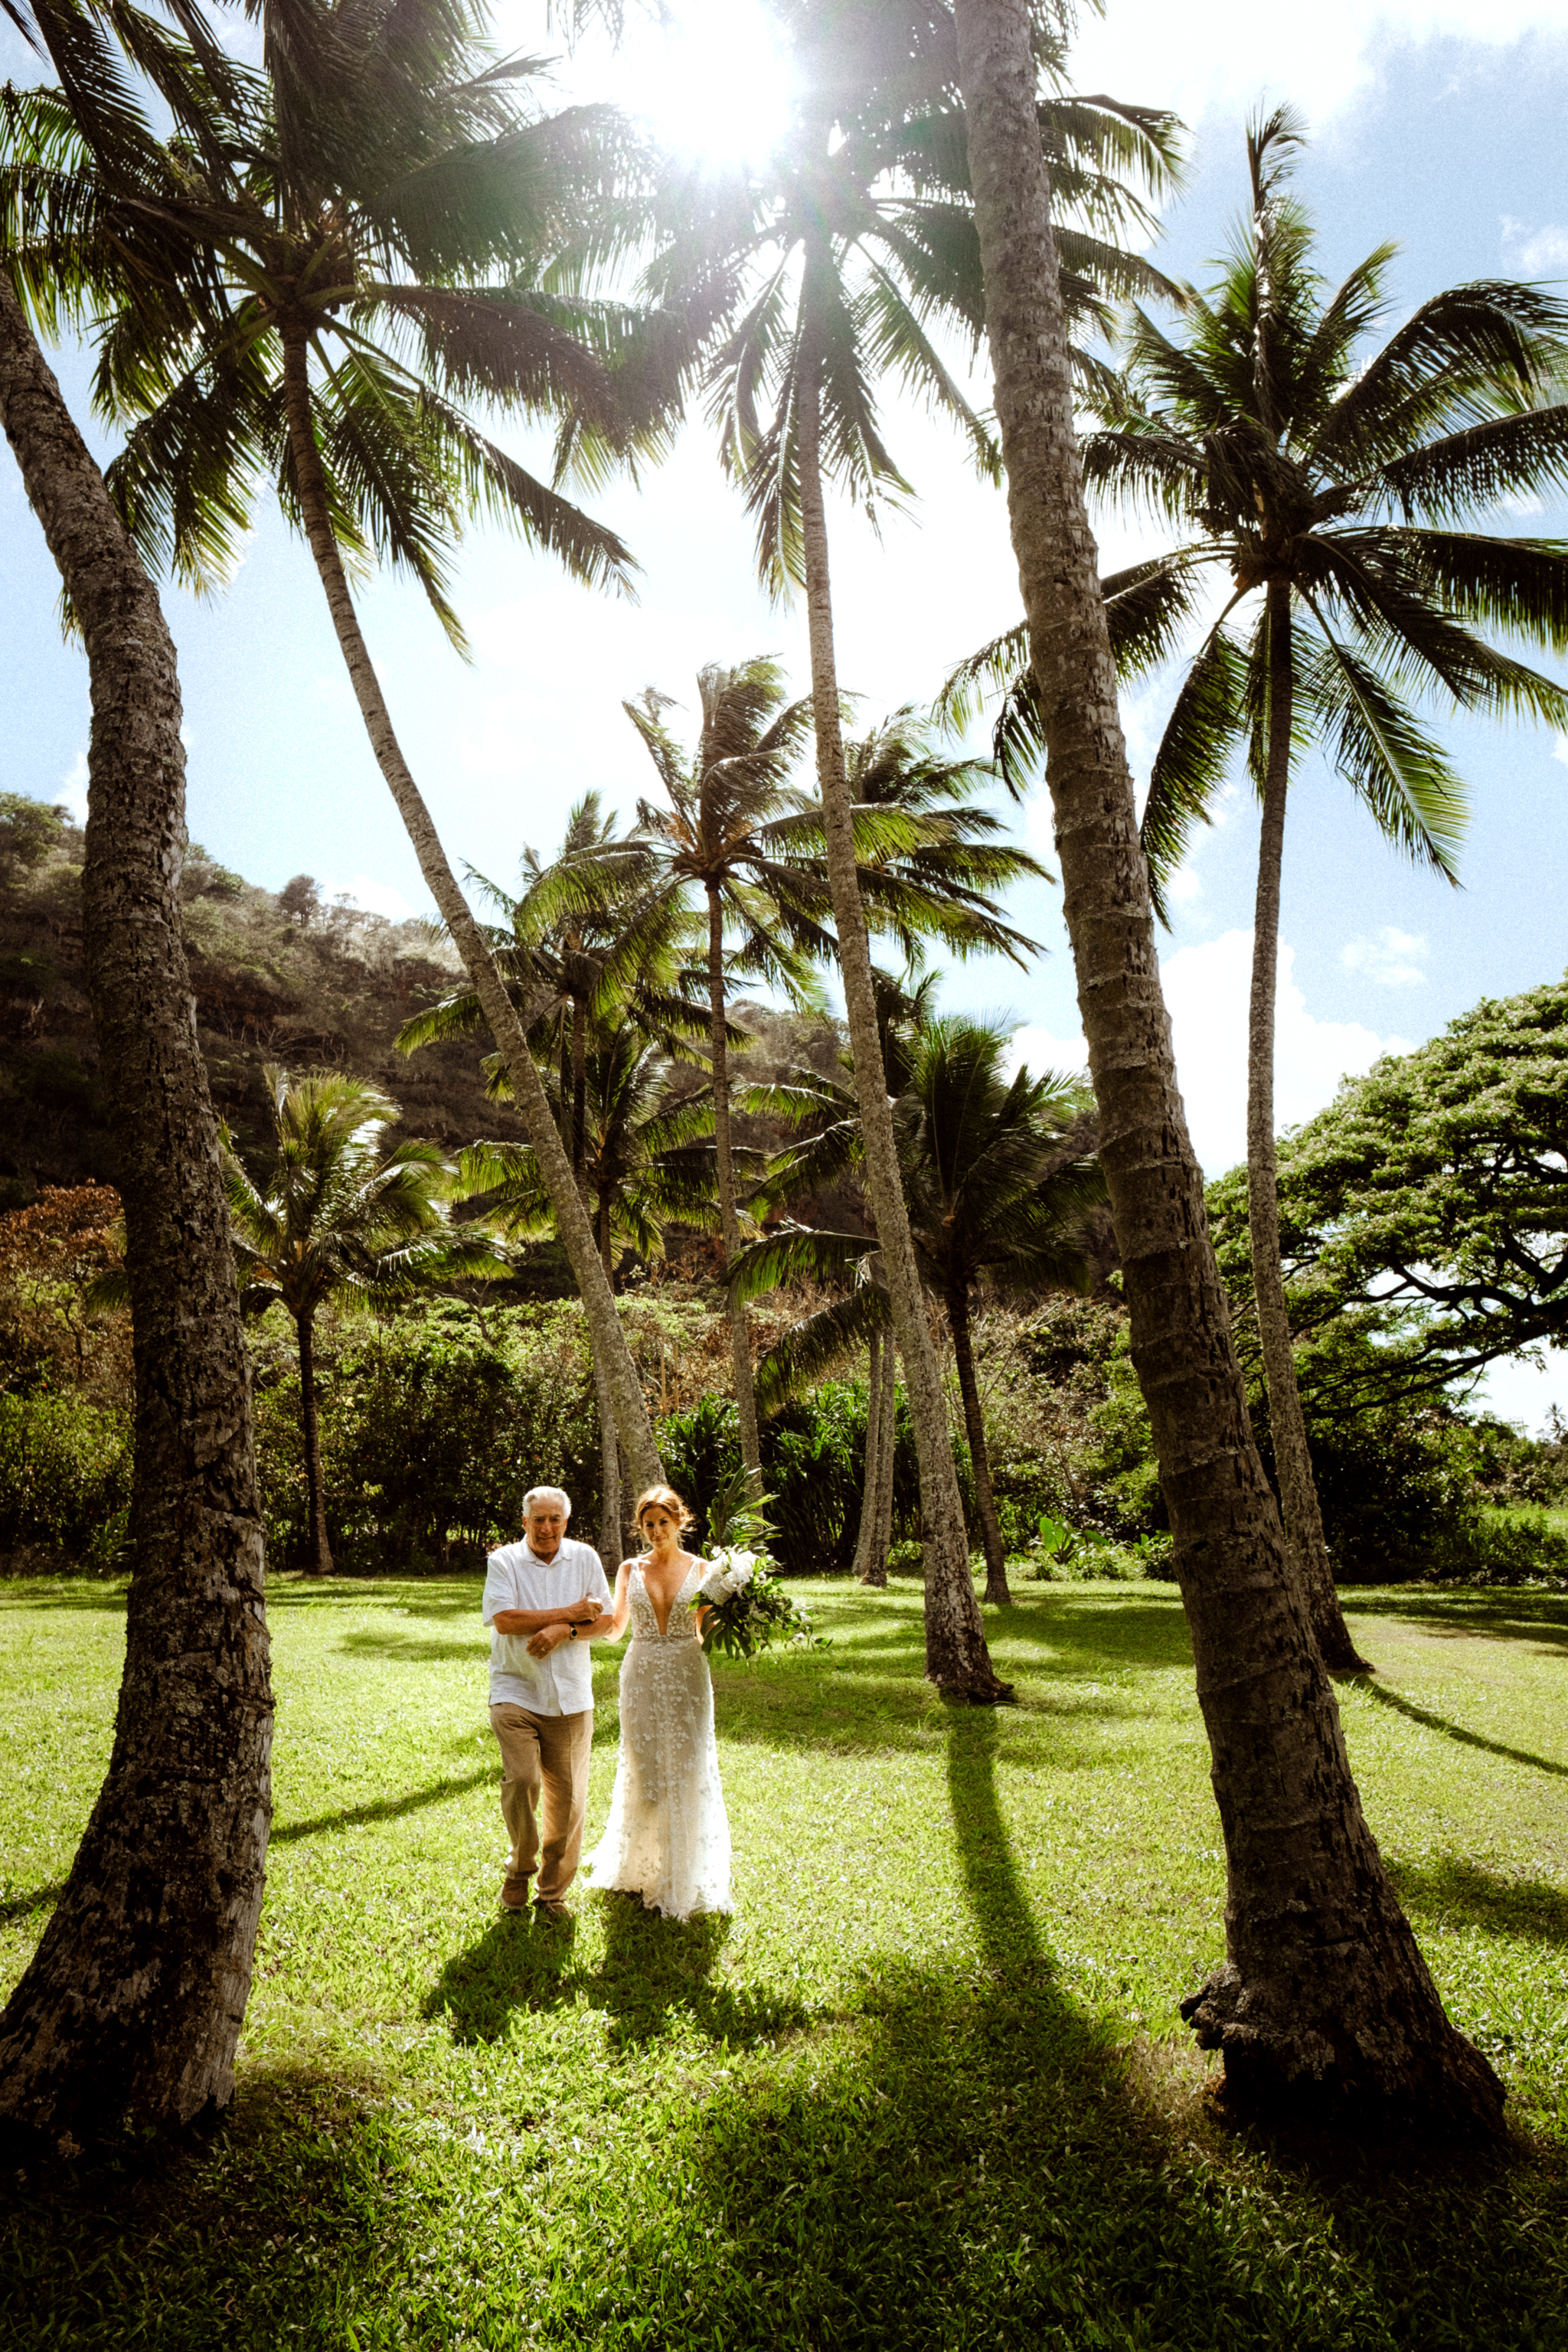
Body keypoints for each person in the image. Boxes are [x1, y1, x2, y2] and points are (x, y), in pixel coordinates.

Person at [585, 1483, 733, 1919]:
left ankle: (683, 1870)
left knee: (687, 1767)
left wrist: (745, 1618)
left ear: (679, 1521)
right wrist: (575, 1626)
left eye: (662, 1523)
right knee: (645, 1766)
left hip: (688, 1672)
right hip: (641, 1673)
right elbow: (615, 1629)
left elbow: (707, 1632)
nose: (655, 1531)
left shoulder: (705, 1570)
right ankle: (641, 1867)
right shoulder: (630, 1570)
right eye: (648, 1524)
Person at [482, 1485, 615, 1922]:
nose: (546, 1528)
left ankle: (552, 1894)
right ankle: (520, 1867)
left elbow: (608, 1621)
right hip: (515, 1690)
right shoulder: (504, 1561)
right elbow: (505, 1621)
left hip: (572, 1697)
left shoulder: (585, 1558)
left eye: (555, 1519)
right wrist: (573, 1610)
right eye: (538, 1519)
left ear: (566, 1521)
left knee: (570, 1800)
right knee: (522, 1780)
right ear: (524, 1522)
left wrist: (568, 1630)